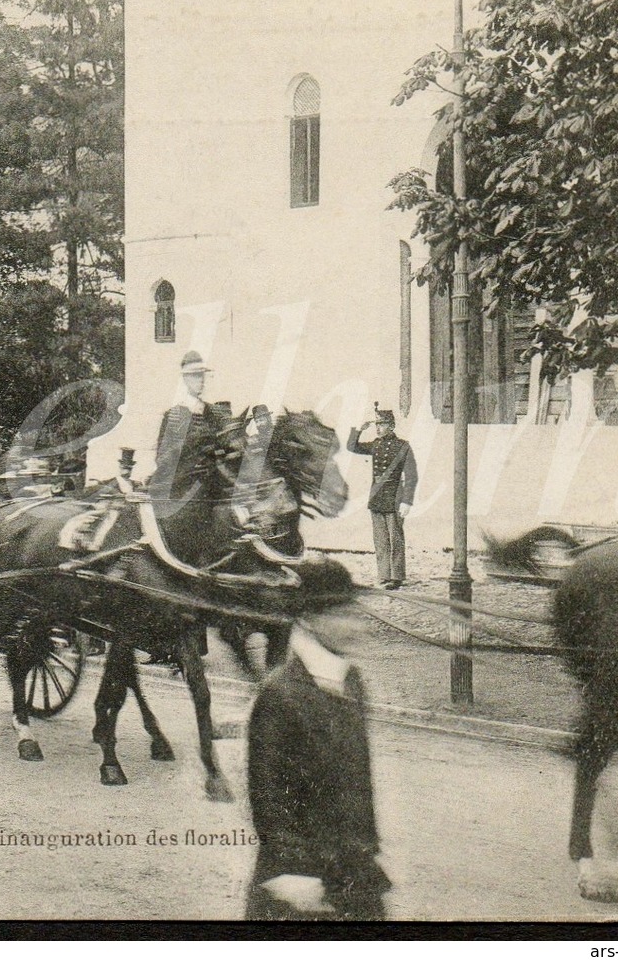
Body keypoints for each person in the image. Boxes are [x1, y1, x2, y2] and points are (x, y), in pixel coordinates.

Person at [246, 593, 390, 921]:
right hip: (300, 884)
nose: (356, 625)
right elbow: (268, 792)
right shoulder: (281, 694)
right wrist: (291, 871)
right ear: (310, 620)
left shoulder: (350, 681)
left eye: (356, 613)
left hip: (354, 870)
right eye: (343, 615)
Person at [147, 351, 230, 568]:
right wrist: (192, 459)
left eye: (203, 376)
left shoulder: (213, 412)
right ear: (185, 379)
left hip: (214, 482)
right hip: (183, 485)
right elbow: (163, 457)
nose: (200, 381)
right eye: (195, 376)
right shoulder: (175, 415)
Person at [346, 408, 418, 589]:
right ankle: (384, 575)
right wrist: (358, 429)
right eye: (377, 424)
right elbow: (352, 447)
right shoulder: (376, 445)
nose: (378, 428)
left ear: (391, 426)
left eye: (382, 424)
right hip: (377, 498)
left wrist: (407, 500)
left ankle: (397, 577)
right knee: (380, 540)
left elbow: (411, 475)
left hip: (394, 498)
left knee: (395, 539)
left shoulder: (403, 446)